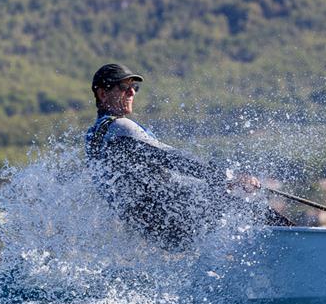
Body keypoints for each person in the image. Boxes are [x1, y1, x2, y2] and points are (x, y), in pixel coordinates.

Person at [86, 63, 288, 250]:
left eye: (134, 88)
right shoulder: (121, 128)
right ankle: (298, 244)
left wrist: (217, 185)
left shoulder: (94, 136)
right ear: (103, 94)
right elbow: (173, 159)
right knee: (249, 209)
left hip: (150, 226)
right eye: (123, 88)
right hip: (172, 216)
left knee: (226, 216)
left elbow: (151, 178)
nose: (132, 92)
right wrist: (228, 177)